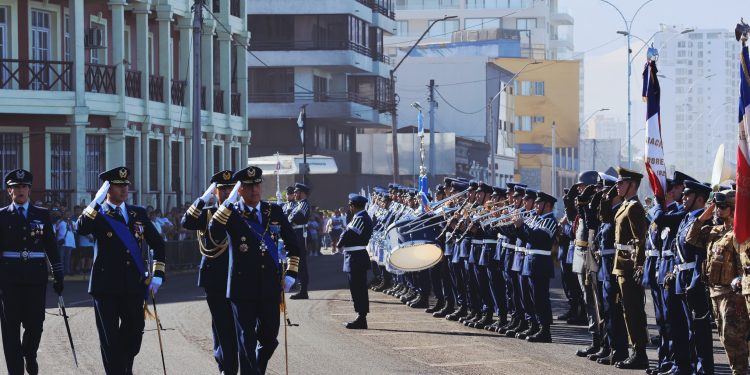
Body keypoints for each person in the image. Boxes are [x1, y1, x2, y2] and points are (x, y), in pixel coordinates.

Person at [208, 166, 300, 374]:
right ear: (239, 190)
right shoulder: (231, 213)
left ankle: (257, 367)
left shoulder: (273, 211)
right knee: (246, 339)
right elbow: (214, 232)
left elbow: (293, 245)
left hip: (269, 285)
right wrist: (227, 203)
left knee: (269, 337)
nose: (254, 190)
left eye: (257, 185)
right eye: (248, 186)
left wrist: (292, 273)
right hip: (242, 287)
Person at [76, 166, 166, 374]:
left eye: (126, 185)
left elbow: (158, 244)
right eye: (118, 186)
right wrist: (95, 201)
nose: (124, 189)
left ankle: (124, 368)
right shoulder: (98, 213)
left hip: (134, 286)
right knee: (110, 342)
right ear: (107, 188)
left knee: (134, 336)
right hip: (105, 287)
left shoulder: (138, 214)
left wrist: (158, 275)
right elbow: (82, 228)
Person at [0, 169, 64, 375]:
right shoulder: (1, 216)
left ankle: (30, 353)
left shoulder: (42, 215)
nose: (20, 190)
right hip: (8, 280)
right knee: (10, 330)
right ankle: (15, 371)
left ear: (29, 190)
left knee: (36, 325)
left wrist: (58, 274)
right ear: (9, 191)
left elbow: (51, 248)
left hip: (35, 279)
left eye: (24, 186)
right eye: (16, 187)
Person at [181, 170, 239, 375]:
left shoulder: (241, 213)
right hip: (215, 277)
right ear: (215, 191)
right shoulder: (207, 214)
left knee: (242, 324)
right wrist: (202, 199)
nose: (226, 192)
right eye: (222, 189)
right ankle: (227, 366)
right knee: (222, 324)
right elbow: (186, 222)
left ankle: (237, 363)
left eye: (230, 188)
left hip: (240, 277)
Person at [686, 190, 747, 374]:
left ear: (733, 208)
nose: (718, 210)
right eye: (717, 206)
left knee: (733, 339)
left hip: (731, 294)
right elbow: (691, 237)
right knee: (724, 337)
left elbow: (743, 267)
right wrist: (709, 209)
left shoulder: (739, 234)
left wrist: (740, 297)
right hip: (715, 293)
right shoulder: (714, 230)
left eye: (722, 207)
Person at [600, 167, 649, 370]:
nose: (617, 186)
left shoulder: (634, 207)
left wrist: (638, 265)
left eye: (621, 183)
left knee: (633, 311)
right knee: (626, 311)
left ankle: (640, 353)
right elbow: (604, 218)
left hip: (628, 267)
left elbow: (641, 239)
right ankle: (633, 351)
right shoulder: (624, 206)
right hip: (619, 265)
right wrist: (606, 198)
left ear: (632, 185)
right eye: (617, 183)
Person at [338, 194, 374, 329]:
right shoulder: (360, 217)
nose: (350, 208)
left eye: (350, 205)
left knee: (358, 288)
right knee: (356, 287)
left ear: (353, 206)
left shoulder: (360, 217)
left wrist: (340, 242)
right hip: (354, 256)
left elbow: (347, 235)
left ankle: (361, 317)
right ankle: (360, 316)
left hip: (356, 257)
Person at [288, 183, 311, 299]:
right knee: (297, 262)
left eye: (297, 192)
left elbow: (296, 218)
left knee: (301, 263)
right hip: (296, 234)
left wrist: (290, 218)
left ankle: (303, 291)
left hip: (300, 235)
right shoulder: (299, 204)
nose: (295, 194)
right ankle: (301, 289)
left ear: (302, 193)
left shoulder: (304, 204)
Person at [54, 207, 76, 275]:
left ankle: (67, 270)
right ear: (63, 214)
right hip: (62, 242)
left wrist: (70, 223)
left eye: (69, 214)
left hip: (70, 242)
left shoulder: (72, 222)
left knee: (68, 257)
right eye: (66, 214)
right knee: (61, 257)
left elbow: (74, 230)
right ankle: (61, 271)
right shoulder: (59, 221)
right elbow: (55, 230)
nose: (68, 215)